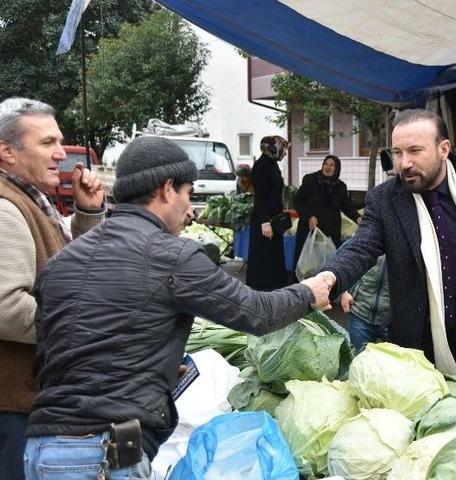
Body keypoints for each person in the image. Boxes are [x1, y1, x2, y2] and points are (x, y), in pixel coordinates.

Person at [24, 136, 331, 479]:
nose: (190, 210)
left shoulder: (62, 261)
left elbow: (53, 353)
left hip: (41, 448)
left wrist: (159, 367)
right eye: (187, 193)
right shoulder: (172, 255)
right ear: (167, 189)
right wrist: (308, 292)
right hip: (103, 453)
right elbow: (257, 313)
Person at [316, 109, 456, 411]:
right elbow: (360, 247)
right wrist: (329, 277)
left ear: (443, 149)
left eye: (415, 151)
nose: (404, 163)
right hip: (423, 362)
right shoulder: (384, 200)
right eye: (397, 152)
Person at [0, 97, 105, 480]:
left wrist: (88, 213)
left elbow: (71, 271)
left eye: (59, 141)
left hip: (29, 399)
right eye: (47, 143)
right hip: (13, 405)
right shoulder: (5, 210)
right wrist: (84, 327)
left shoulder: (30, 199)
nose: (61, 153)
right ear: (7, 152)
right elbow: (7, 310)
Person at [294, 154, 362, 267]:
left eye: (331, 165)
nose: (327, 167)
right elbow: (298, 202)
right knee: (306, 267)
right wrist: (309, 216)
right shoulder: (310, 180)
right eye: (325, 164)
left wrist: (357, 217)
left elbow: (347, 206)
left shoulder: (340, 186)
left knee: (327, 266)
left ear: (336, 169)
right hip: (309, 230)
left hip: (330, 232)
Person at [247, 136, 290, 291]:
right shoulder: (261, 166)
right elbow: (260, 196)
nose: (285, 153)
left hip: (274, 218)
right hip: (264, 219)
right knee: (264, 258)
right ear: (272, 148)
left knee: (273, 257)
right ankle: (262, 294)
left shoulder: (272, 164)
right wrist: (264, 221)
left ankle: (273, 291)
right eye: (283, 148)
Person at [340, 254, 390, 351]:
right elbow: (344, 259)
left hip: (392, 318)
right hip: (360, 311)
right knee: (358, 356)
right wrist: (344, 291)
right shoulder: (368, 244)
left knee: (398, 359)